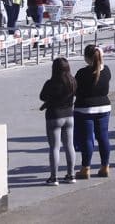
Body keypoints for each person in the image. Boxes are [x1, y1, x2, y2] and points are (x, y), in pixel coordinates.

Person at [74, 44, 112, 179]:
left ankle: (86, 168)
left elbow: (75, 90)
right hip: (104, 107)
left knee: (87, 139)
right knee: (103, 137)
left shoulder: (82, 73)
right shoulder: (106, 70)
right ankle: (105, 166)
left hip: (85, 109)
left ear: (86, 58)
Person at [39, 57, 77, 185]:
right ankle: (71, 175)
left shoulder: (50, 83)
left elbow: (42, 97)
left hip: (54, 116)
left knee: (54, 148)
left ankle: (53, 177)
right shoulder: (73, 81)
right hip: (69, 115)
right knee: (69, 145)